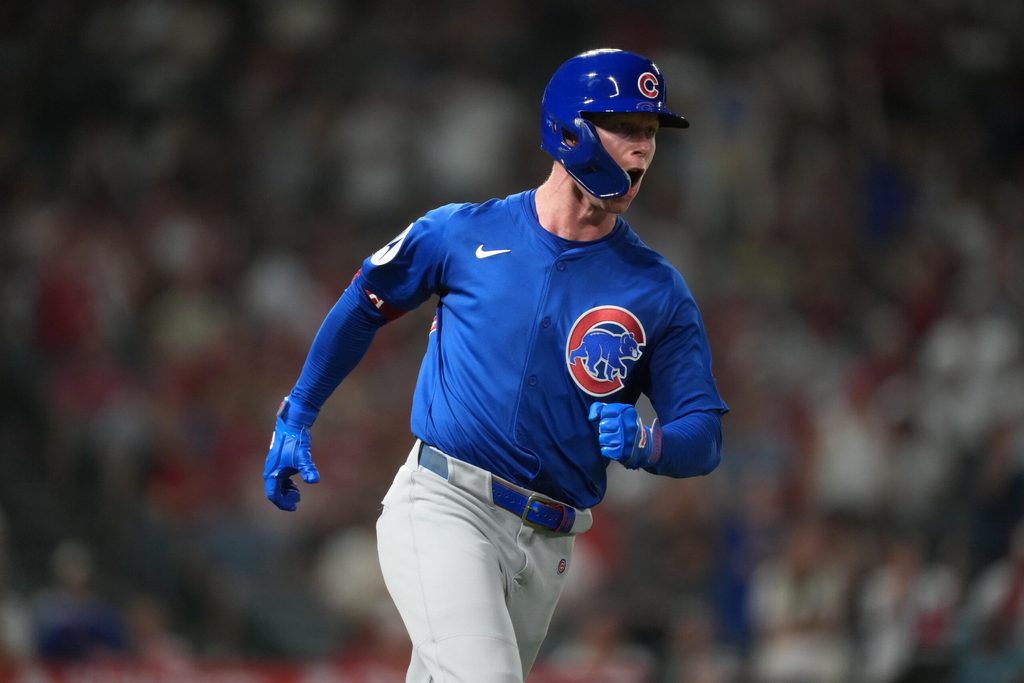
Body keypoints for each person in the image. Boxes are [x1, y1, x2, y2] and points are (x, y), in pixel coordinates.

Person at [262, 48, 728, 682]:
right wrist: (298, 412)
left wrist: (650, 443)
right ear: (570, 128)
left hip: (550, 547)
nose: (643, 148)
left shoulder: (657, 289)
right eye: (626, 127)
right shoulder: (460, 232)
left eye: (650, 133)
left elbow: (702, 434)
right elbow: (364, 302)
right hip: (445, 504)